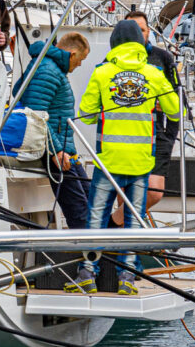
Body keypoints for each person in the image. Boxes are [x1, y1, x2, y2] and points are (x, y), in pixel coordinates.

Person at [67, 20, 180, 296]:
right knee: (133, 219)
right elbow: (176, 112)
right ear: (140, 44)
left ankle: (87, 275)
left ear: (114, 43)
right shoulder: (153, 74)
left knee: (96, 217)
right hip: (141, 161)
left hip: (108, 160)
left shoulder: (102, 72)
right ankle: (127, 280)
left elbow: (88, 112)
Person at [11, 32, 91, 229]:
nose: (80, 64)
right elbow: (35, 115)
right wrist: (55, 151)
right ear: (72, 54)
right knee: (80, 211)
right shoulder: (48, 70)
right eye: (81, 60)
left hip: (63, 148)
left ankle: (95, 255)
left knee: (89, 200)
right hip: (56, 151)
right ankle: (90, 257)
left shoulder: (50, 67)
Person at [106, 10, 179, 223]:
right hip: (123, 136)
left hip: (156, 134)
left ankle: (112, 225)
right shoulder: (110, 61)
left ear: (148, 32)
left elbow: (177, 99)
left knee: (154, 192)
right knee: (124, 194)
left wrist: (169, 134)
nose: (138, 33)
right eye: (132, 29)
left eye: (142, 29)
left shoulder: (163, 58)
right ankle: (126, 241)